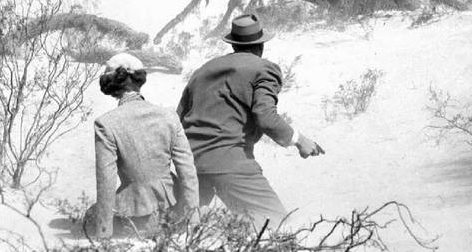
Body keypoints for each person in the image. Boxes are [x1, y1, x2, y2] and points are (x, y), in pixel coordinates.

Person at [177, 14, 324, 229]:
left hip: (192, 163)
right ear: (261, 45)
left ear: (233, 43)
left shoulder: (203, 71)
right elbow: (266, 116)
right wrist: (299, 140)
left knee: (188, 231)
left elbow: (179, 118)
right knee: (280, 226)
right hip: (230, 161)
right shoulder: (264, 68)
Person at [84, 53, 199, 238]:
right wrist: (193, 221)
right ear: (139, 80)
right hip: (173, 214)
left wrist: (103, 233)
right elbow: (188, 171)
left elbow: (106, 181)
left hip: (137, 218)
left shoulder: (105, 124)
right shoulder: (169, 116)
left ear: (112, 86)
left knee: (89, 216)